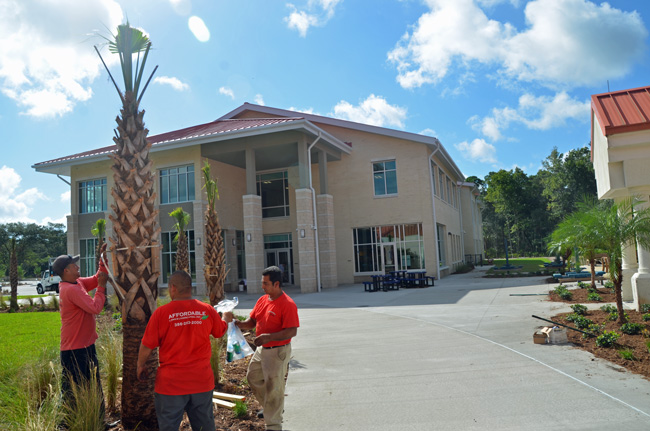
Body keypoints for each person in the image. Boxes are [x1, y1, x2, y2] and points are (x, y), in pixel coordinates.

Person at [137, 270, 227, 431]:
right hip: (201, 382)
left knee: (168, 426)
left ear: (173, 288)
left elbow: (147, 345)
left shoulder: (162, 314)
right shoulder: (206, 310)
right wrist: (226, 318)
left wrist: (140, 365)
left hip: (171, 385)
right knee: (205, 426)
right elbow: (220, 332)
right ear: (190, 288)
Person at [224, 266, 299, 431]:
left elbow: (292, 330)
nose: (262, 286)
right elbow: (251, 322)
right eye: (262, 283)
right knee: (253, 377)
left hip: (277, 351)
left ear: (277, 284)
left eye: (265, 283)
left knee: (274, 387)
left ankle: (273, 425)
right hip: (262, 349)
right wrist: (235, 322)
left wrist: (269, 337)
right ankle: (273, 408)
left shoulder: (287, 304)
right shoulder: (263, 300)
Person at [55, 243, 108, 417]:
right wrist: (101, 287)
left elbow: (96, 278)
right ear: (65, 271)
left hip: (85, 346)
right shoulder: (71, 290)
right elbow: (95, 308)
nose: (78, 267)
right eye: (74, 265)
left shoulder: (76, 282)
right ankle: (67, 424)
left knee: (93, 385)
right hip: (75, 351)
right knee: (73, 391)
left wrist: (102, 259)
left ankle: (98, 422)